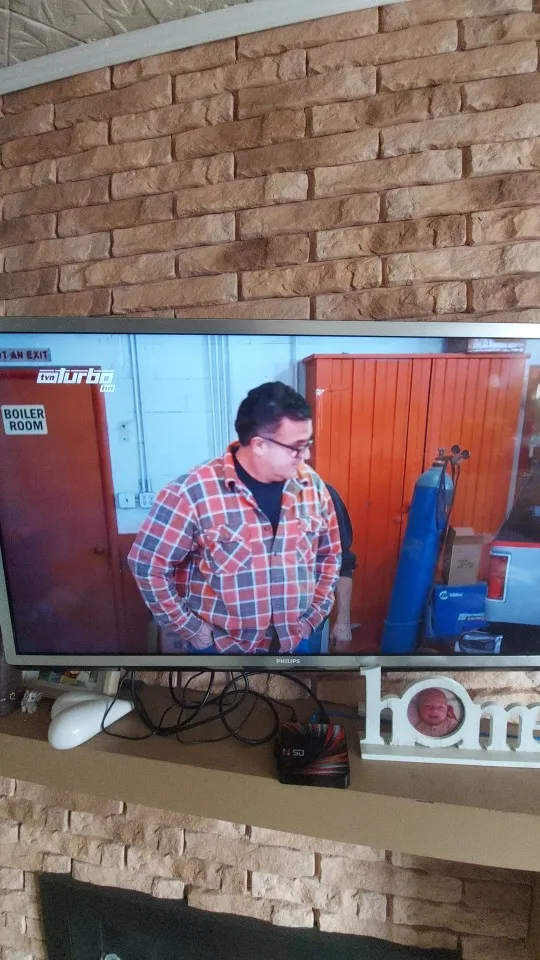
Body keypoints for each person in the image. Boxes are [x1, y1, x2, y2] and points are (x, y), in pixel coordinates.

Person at [128, 381, 341, 655]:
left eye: (308, 443)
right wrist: (191, 628)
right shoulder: (192, 492)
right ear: (259, 445)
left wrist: (313, 617)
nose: (307, 455)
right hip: (222, 650)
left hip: (295, 643)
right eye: (297, 447)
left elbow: (330, 556)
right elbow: (147, 565)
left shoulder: (312, 486)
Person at [295, 483, 356, 653]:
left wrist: (343, 621)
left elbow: (342, 563)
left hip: (306, 628)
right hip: (246, 634)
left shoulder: (322, 494)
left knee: (304, 670)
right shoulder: (237, 496)